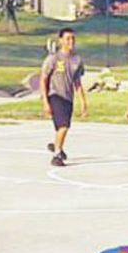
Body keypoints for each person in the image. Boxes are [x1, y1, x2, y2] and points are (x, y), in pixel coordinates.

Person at [40, 27, 88, 168]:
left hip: (68, 97)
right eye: (67, 38)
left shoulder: (77, 60)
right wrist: (45, 101)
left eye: (73, 38)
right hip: (55, 95)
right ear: (61, 40)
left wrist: (83, 101)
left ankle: (56, 145)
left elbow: (77, 82)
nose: (71, 41)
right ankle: (57, 155)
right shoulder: (53, 59)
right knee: (64, 126)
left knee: (62, 126)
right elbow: (43, 79)